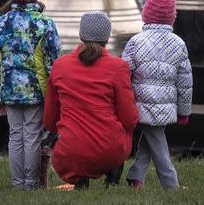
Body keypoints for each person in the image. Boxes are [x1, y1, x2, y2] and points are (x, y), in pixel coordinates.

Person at [43, 11, 139, 190]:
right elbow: (129, 119)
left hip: (69, 153)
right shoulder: (118, 67)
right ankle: (112, 179)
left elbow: (49, 120)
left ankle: (80, 180)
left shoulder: (60, 66)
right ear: (107, 37)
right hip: (109, 151)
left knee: (74, 135)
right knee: (126, 129)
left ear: (81, 35)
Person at [0, 0, 62, 190]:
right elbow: (54, 62)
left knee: (15, 137)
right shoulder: (45, 24)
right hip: (36, 91)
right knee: (32, 137)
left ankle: (17, 184)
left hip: (8, 90)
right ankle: (31, 185)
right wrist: (56, 93)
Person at [122, 0, 193, 189]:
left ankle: (135, 176)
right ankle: (171, 184)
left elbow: (123, 74)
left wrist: (123, 103)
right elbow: (185, 82)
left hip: (139, 102)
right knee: (158, 142)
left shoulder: (136, 42)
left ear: (147, 14)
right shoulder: (178, 44)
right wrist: (183, 111)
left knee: (150, 137)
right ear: (172, 16)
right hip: (165, 104)